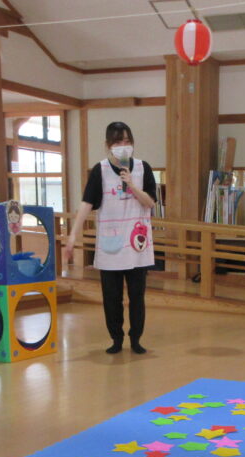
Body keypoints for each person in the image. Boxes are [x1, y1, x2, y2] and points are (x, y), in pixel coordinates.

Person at [64, 122, 157, 354]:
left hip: (136, 244)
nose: (123, 146)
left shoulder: (143, 168)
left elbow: (150, 202)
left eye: (127, 141)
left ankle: (136, 339)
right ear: (108, 145)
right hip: (111, 245)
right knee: (111, 297)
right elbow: (86, 204)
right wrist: (73, 234)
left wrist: (132, 185)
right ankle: (116, 338)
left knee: (137, 296)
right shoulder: (100, 170)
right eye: (118, 142)